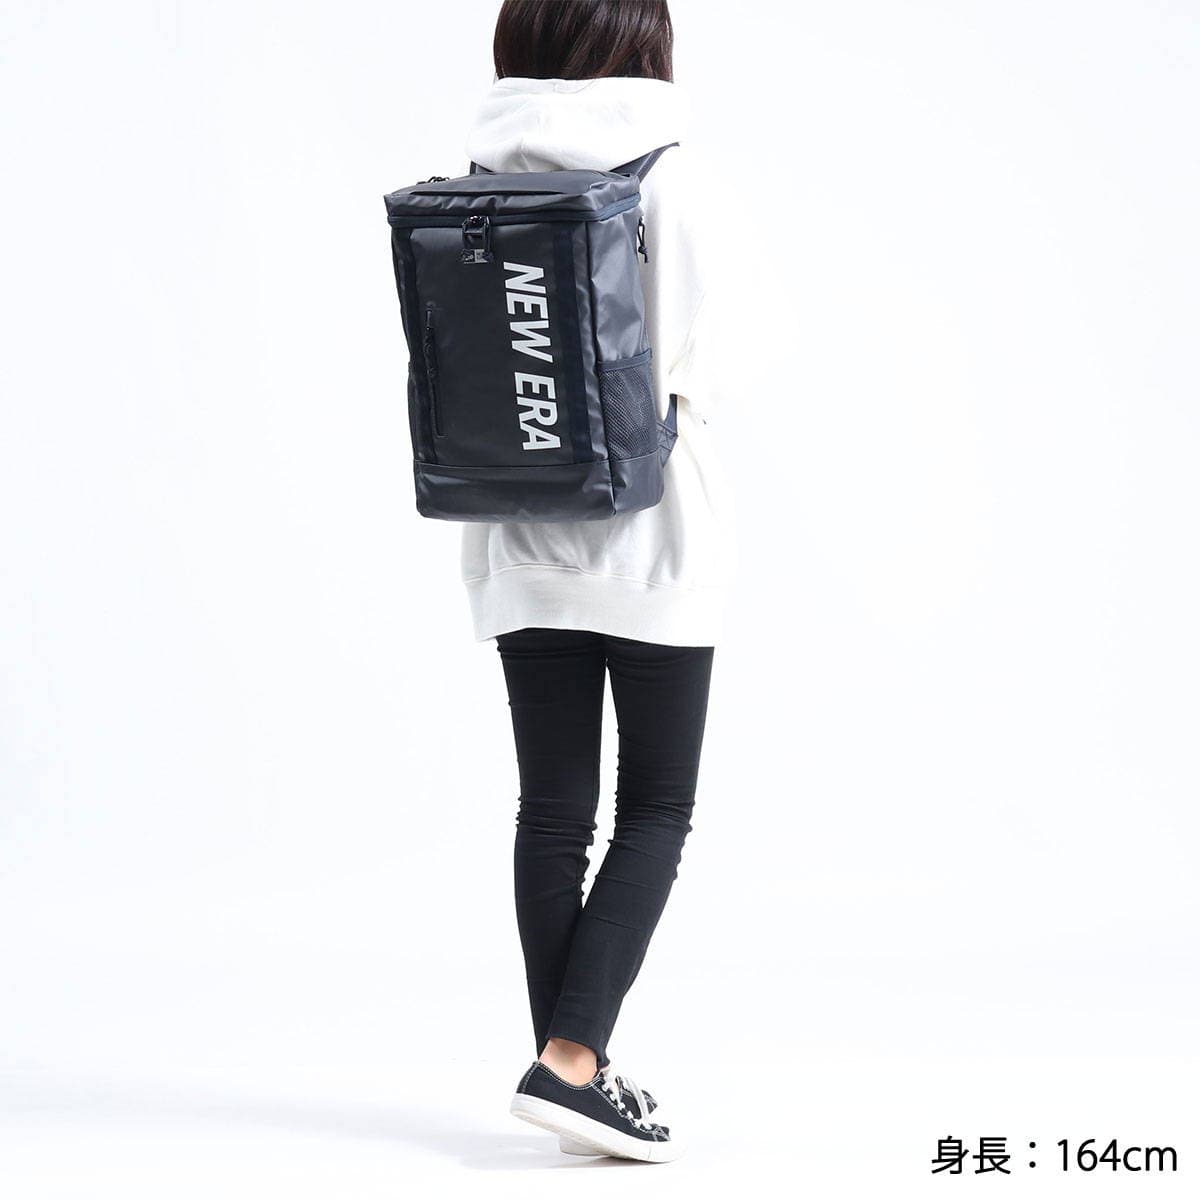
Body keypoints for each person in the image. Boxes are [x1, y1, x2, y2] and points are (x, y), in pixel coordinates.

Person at [461, 0, 735, 1162]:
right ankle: (572, 1065)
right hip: (651, 536)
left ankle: (571, 1069)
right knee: (656, 807)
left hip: (517, 533)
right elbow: (699, 355)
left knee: (553, 813)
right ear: (642, 39)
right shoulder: (669, 172)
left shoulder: (477, 180)